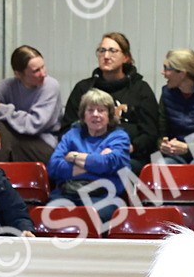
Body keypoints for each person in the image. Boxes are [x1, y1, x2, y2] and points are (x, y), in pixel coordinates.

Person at [61, 33, 157, 174]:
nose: (106, 56)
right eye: (102, 50)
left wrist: (129, 147)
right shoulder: (83, 88)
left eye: (112, 51)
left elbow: (150, 133)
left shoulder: (140, 89)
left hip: (127, 156)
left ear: (126, 57)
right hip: (86, 154)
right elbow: (67, 129)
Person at [0, 44, 63, 165]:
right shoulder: (9, 85)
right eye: (36, 71)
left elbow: (33, 124)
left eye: (43, 67)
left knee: (3, 127)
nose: (43, 74)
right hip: (17, 141)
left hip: (44, 145)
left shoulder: (50, 86)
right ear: (18, 74)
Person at [48, 89, 131, 225]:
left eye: (101, 110)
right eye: (90, 110)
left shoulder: (119, 137)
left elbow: (108, 163)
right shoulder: (71, 135)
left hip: (103, 197)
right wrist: (96, 162)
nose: (95, 115)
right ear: (83, 115)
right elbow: (53, 167)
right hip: (67, 193)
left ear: (109, 114)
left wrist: (73, 156)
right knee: (49, 216)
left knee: (89, 219)